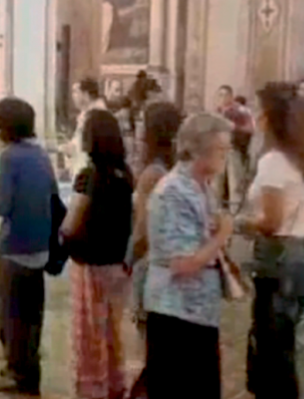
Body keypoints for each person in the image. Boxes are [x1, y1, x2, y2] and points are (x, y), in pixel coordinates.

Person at [238, 83, 304, 399]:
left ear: (269, 118)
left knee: (272, 347)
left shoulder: (274, 161)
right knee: (286, 341)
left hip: (279, 258)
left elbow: (272, 222)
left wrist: (240, 223)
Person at [142, 113, 233, 399]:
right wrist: (221, 236)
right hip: (176, 313)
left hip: (198, 312)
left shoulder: (202, 186)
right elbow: (182, 264)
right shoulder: (173, 191)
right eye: (220, 149)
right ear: (197, 148)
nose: (226, 155)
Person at [61, 110, 133, 399]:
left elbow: (72, 223)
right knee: (112, 328)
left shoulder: (90, 176)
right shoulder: (124, 174)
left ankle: (92, 387)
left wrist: (60, 232)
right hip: (117, 261)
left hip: (91, 263)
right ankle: (115, 382)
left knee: (89, 329)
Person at [0, 98, 58, 396]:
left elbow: (2, 205)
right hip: (40, 245)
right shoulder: (41, 154)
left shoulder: (10, 157)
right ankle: (30, 371)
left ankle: (17, 373)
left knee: (10, 315)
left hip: (14, 245)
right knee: (32, 316)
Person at [126, 101, 182, 399]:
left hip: (150, 264)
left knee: (149, 343)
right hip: (173, 262)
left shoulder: (152, 174)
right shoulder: (179, 170)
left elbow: (143, 231)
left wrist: (127, 261)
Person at [216, 84, 255, 209]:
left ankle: (235, 211)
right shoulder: (218, 112)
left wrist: (235, 127)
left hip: (233, 149)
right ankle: (214, 210)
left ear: (231, 96)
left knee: (235, 182)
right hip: (218, 150)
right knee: (216, 183)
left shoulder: (240, 111)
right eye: (220, 95)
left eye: (225, 95)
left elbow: (250, 128)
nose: (223, 98)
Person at [60, 78, 107, 177]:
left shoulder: (97, 116)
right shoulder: (85, 114)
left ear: (85, 95)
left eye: (76, 92)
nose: (73, 96)